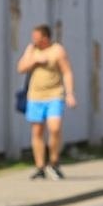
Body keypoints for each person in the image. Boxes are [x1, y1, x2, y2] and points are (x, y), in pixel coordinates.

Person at [18, 24, 75, 180]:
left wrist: (69, 93)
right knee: (37, 131)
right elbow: (21, 68)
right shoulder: (32, 50)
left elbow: (67, 72)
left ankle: (54, 162)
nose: (34, 40)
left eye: (37, 38)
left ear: (45, 37)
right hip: (35, 97)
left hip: (54, 95)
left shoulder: (57, 51)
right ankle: (40, 167)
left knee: (54, 128)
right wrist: (34, 60)